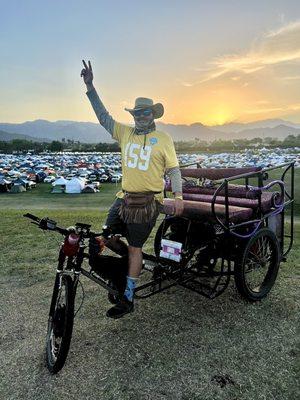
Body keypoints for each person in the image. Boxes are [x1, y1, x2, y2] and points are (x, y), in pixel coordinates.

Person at [81, 60, 184, 318]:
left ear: (153, 115)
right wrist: (91, 87)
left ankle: (128, 296)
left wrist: (179, 195)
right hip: (123, 199)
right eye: (137, 114)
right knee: (106, 237)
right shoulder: (125, 133)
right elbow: (104, 118)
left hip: (148, 203)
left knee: (136, 247)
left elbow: (173, 170)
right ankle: (129, 263)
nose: (140, 117)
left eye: (145, 113)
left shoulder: (164, 139)